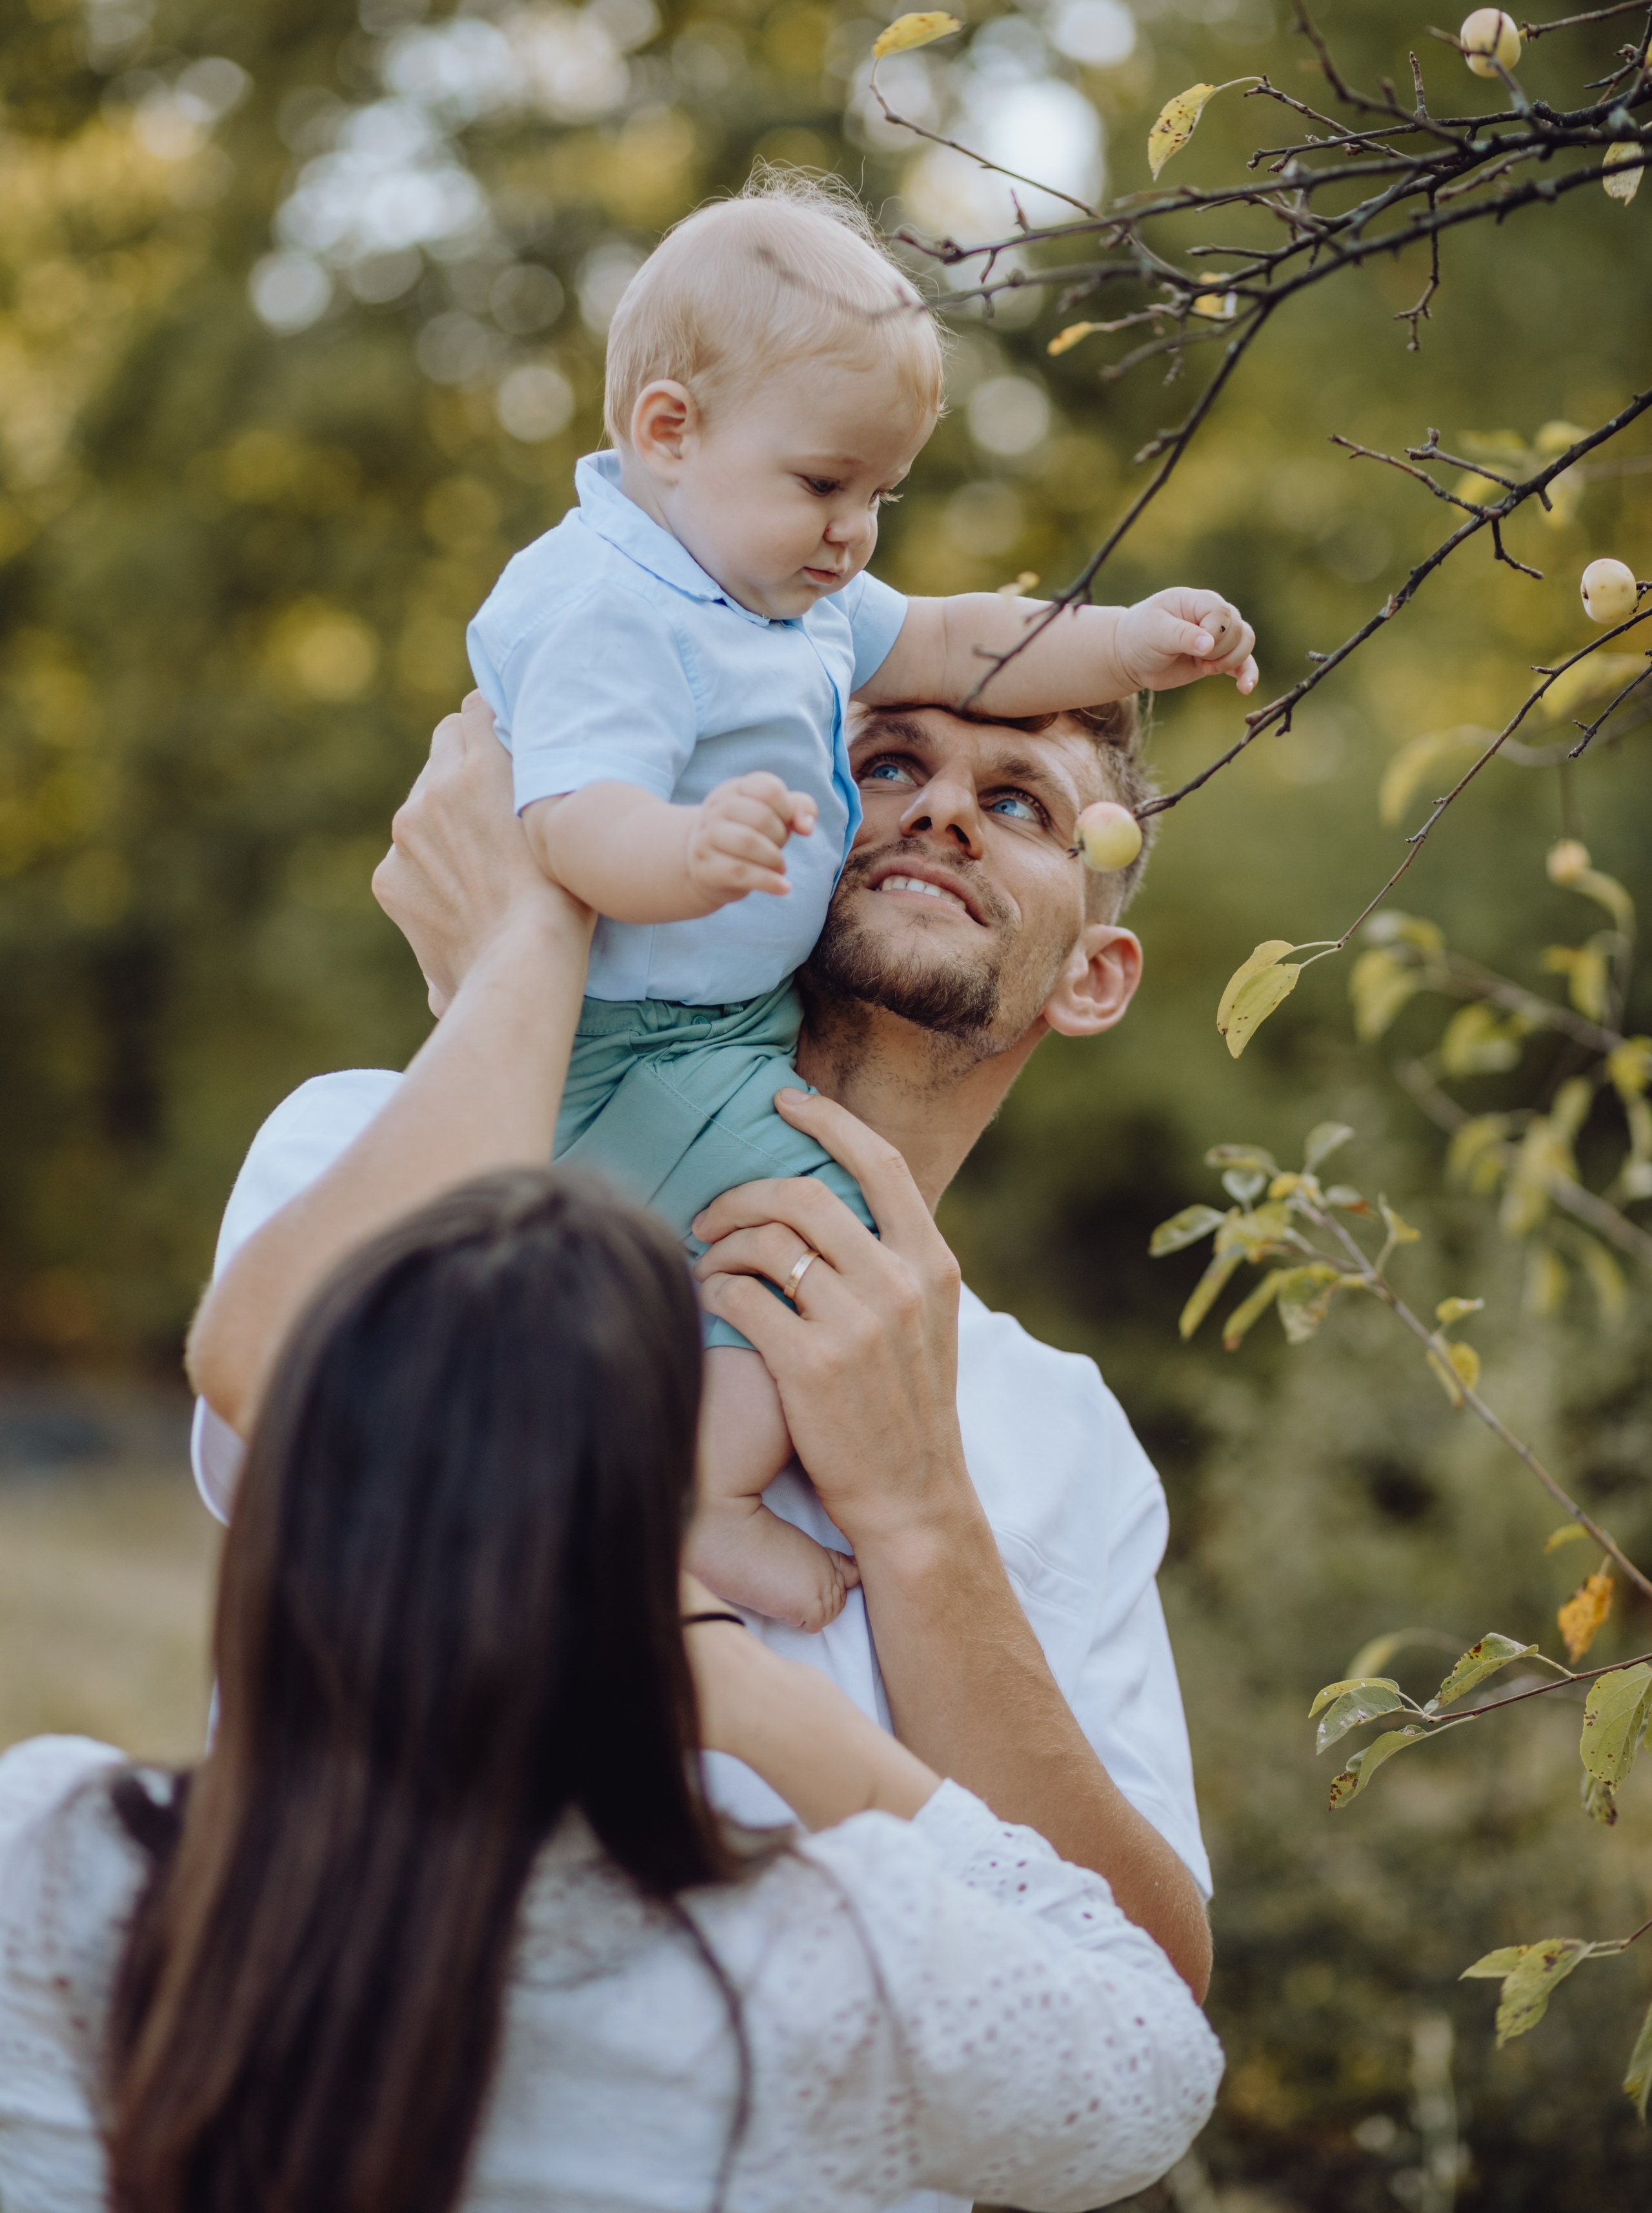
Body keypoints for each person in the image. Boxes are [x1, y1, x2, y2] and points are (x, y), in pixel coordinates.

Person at [188, 688, 1219, 2058]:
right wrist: (528, 935)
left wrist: (918, 1517)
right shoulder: (374, 1143)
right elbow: (322, 1434)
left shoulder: (1064, 1432)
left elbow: (1136, 1996)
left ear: (1093, 973)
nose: (942, 809)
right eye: (885, 764)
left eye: (1018, 800)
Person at [0, 1157, 1222, 2213]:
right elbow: (1150, 2065)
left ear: (285, 1517)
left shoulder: (47, 1867)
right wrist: (748, 1684)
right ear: (643, 1545)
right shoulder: (806, 1974)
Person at [468, 172, 1258, 1630]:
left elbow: (961, 641)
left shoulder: (787, 598)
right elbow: (566, 821)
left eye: (879, 498)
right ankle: (696, 1500)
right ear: (668, 433)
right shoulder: (611, 609)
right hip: (626, 1041)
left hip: (693, 1040)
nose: (854, 534)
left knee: (817, 1241)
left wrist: (1130, 643)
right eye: (826, 487)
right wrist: (683, 853)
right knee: (830, 1234)